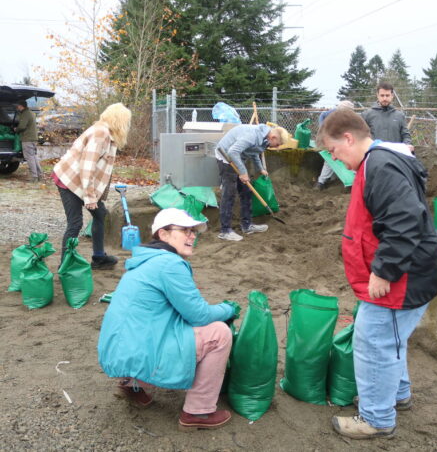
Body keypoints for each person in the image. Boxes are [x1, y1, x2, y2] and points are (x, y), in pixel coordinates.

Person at [317, 110, 437, 440]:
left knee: (374, 342)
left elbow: (405, 220)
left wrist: (384, 270)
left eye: (334, 151)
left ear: (348, 138)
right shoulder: (378, 161)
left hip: (404, 276)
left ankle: (376, 418)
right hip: (414, 269)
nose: (335, 159)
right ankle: (396, 395)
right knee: (390, 338)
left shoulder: (380, 166)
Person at [98, 208, 237, 430]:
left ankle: (132, 384)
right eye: (185, 230)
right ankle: (198, 412)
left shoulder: (146, 260)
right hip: (138, 349)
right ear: (163, 234)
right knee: (219, 332)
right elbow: (199, 315)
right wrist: (228, 308)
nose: (192, 236)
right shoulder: (170, 264)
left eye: (193, 231)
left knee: (167, 324)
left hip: (118, 350)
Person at [52, 103, 131, 269]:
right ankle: (65, 266)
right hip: (69, 180)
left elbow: (99, 168)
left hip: (80, 180)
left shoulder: (107, 133)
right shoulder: (100, 134)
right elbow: (87, 167)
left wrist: (95, 196)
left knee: (100, 214)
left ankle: (99, 258)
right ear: (120, 121)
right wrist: (89, 197)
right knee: (75, 223)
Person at [215, 123, 290, 241]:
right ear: (274, 138)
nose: (277, 147)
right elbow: (232, 152)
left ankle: (247, 225)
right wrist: (243, 172)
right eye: (278, 144)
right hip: (226, 157)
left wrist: (260, 168)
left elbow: (254, 152)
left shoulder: (265, 138)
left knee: (246, 191)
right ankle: (225, 231)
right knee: (229, 194)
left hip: (237, 158)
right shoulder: (253, 136)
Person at [313, 100, 355, 191]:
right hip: (331, 137)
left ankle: (352, 182)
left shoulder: (351, 119)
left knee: (349, 159)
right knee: (329, 159)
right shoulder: (333, 113)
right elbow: (322, 115)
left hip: (342, 139)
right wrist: (322, 129)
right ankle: (321, 182)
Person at [14, 100, 42, 182]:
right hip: (33, 138)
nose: (17, 107)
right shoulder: (31, 113)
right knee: (34, 157)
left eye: (18, 106)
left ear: (21, 106)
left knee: (29, 158)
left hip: (27, 139)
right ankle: (39, 175)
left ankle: (34, 177)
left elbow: (22, 126)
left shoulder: (25, 114)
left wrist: (16, 129)